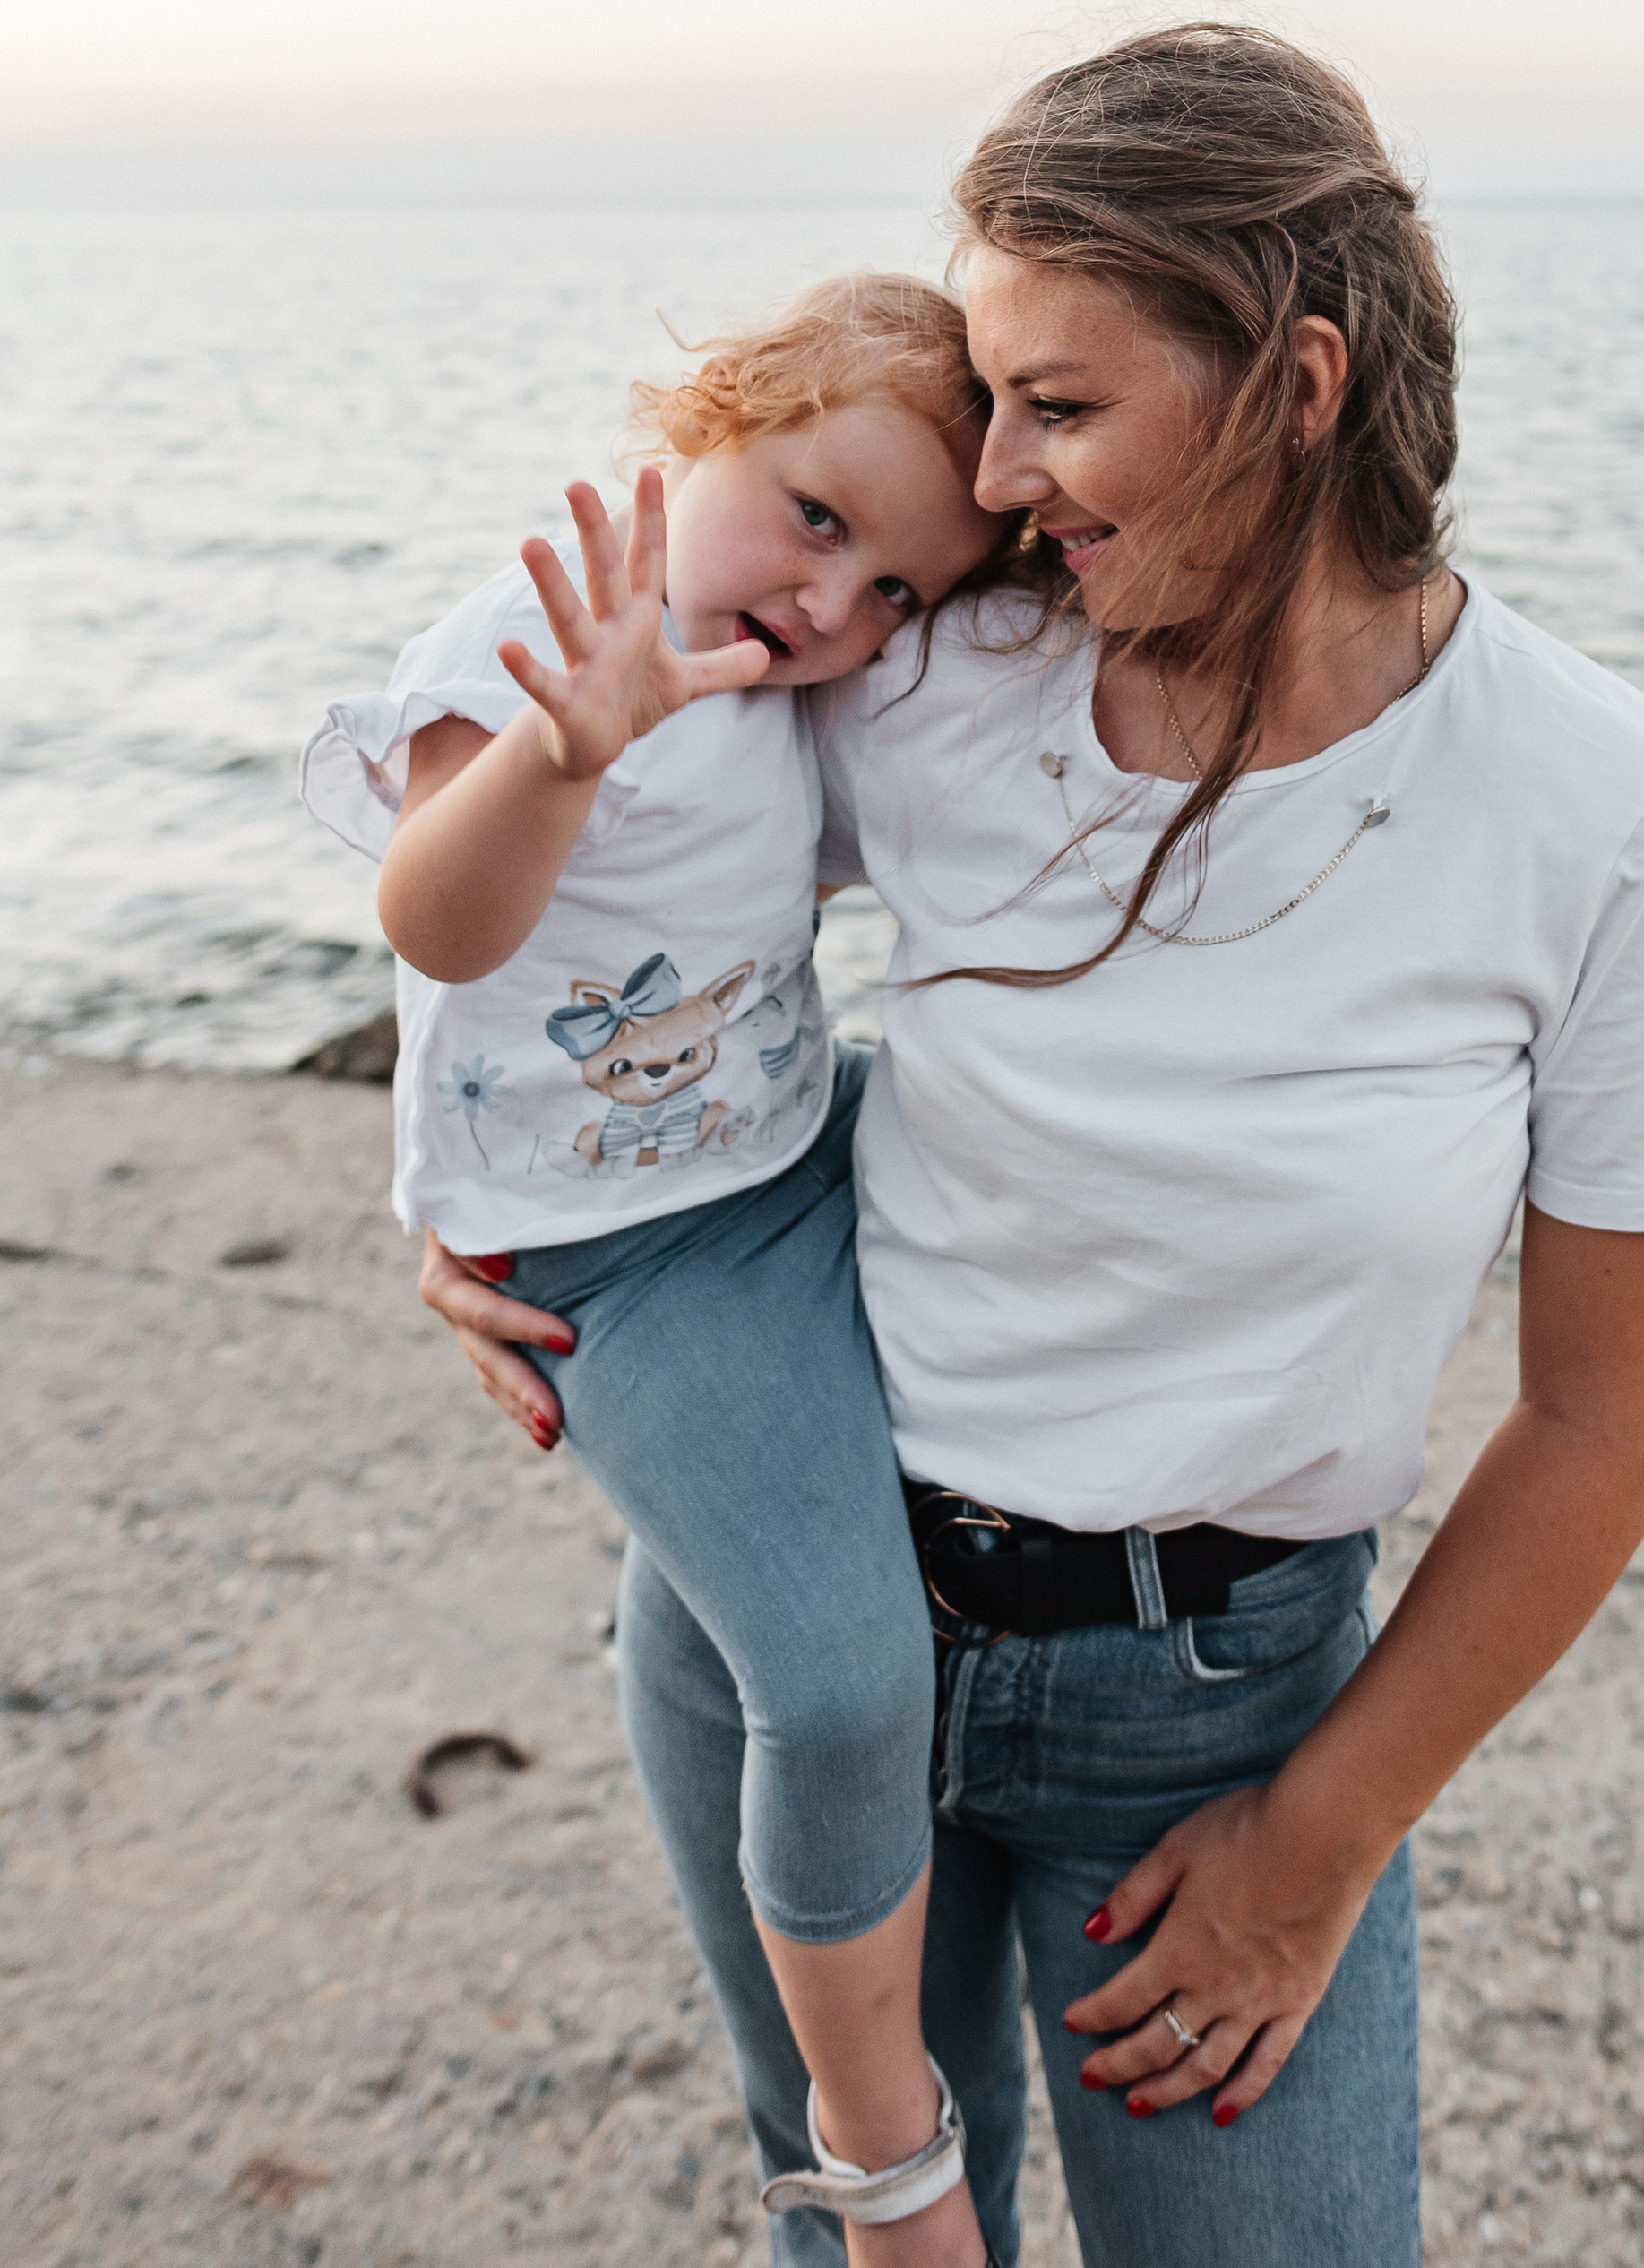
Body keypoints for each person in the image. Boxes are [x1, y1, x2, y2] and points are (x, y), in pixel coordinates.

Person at [420, 24, 1644, 2267]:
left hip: (1216, 1720)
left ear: (1295, 383)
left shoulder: (1608, 814)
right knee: (858, 2231)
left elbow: (1601, 1411)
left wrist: (1316, 1845)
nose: (1003, 477)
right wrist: (489, 1210)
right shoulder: (935, 662)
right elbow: (596, 904)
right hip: (800, 1616)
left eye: (1059, 404)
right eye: (988, 404)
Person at [302, 274, 1014, 2268]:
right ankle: (879, 2159)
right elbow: (430, 925)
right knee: (847, 1677)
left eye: (895, 588)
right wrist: (556, 752)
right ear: (708, 416)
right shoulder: (551, 648)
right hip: (623, 1243)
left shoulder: (798, 679)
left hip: (786, 1139)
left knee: (762, 1616)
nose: (836, 603)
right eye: (811, 514)